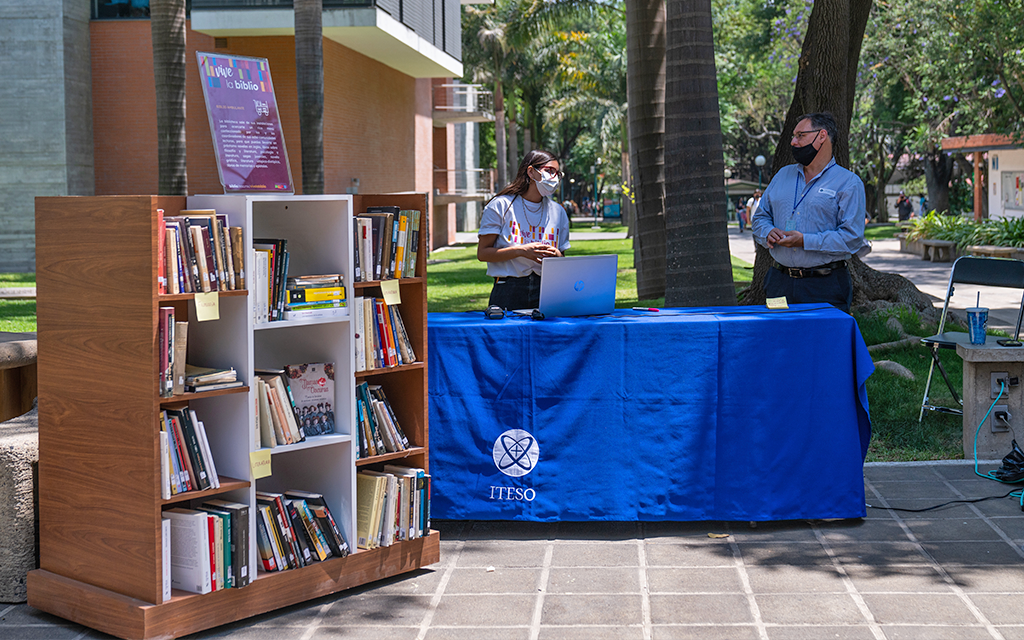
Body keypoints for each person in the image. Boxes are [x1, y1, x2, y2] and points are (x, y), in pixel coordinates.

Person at [751, 112, 869, 313]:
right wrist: (767, 232)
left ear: (822, 136)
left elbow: (852, 238)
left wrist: (804, 240)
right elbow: (760, 217)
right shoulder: (782, 175)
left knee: (823, 344)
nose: (793, 142)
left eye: (800, 135)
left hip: (825, 285)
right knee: (781, 342)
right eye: (793, 137)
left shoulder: (848, 183)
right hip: (779, 282)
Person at [478, 150, 571, 310]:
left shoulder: (558, 211)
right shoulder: (501, 206)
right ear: (531, 172)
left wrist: (556, 255)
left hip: (547, 290)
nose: (554, 178)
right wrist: (522, 251)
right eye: (549, 171)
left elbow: (562, 256)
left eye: (558, 173)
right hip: (508, 289)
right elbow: (483, 253)